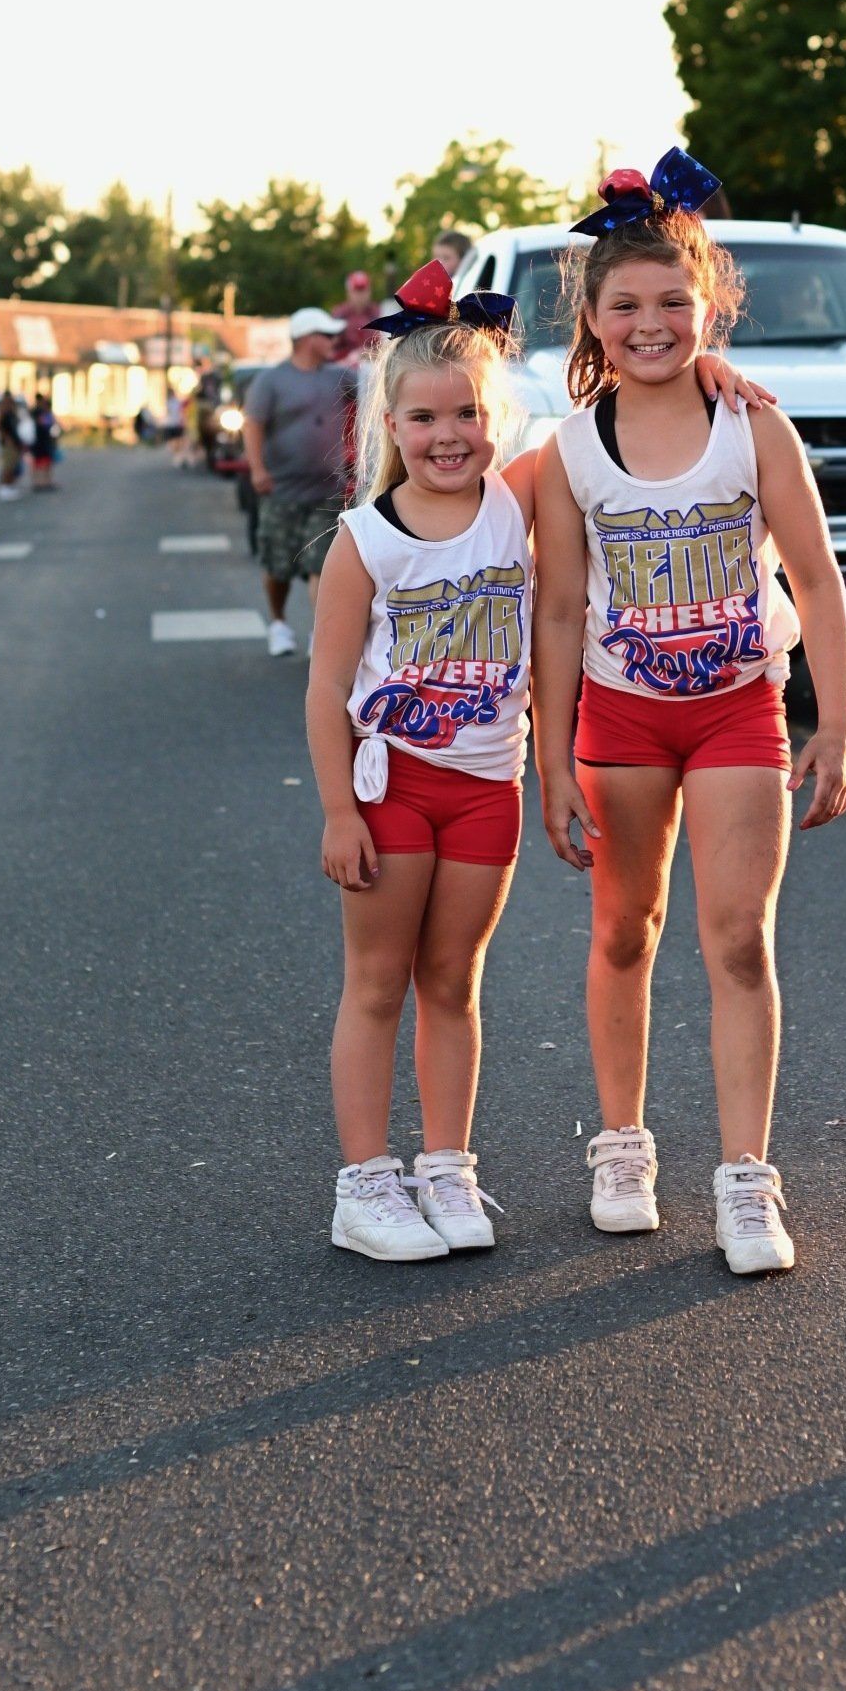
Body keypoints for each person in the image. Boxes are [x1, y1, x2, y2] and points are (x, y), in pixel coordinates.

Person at [532, 150, 846, 1277]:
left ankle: (747, 1179)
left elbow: (816, 579)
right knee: (625, 931)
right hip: (620, 720)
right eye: (626, 305)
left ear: (707, 303)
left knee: (737, 939)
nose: (653, 323)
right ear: (594, 317)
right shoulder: (572, 449)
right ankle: (622, 1147)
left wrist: (840, 724)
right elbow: (563, 610)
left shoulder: (754, 426)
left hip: (736, 714)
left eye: (675, 302)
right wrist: (551, 759)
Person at [305, 264, 536, 1260]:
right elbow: (324, 690)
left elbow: (634, 419)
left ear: (497, 416)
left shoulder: (521, 507)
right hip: (392, 789)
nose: (450, 435)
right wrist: (338, 812)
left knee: (455, 982)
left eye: (469, 413)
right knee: (377, 982)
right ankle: (365, 1187)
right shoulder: (366, 540)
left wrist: (725, 382)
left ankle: (447, 1168)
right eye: (427, 417)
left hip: (490, 789)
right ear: (389, 426)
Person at [243, 308, 356, 656]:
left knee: (321, 565)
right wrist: (257, 468)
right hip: (283, 489)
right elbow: (253, 423)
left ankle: (318, 636)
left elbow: (382, 387)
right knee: (278, 565)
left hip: (327, 490)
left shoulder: (339, 376)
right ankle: (278, 623)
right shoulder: (271, 380)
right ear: (307, 339)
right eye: (326, 335)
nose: (333, 341)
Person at [330, 269, 383, 360]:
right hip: (343, 367)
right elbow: (331, 347)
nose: (360, 295)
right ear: (349, 292)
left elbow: (385, 347)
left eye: (363, 290)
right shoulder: (339, 314)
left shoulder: (378, 313)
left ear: (369, 291)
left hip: (372, 364)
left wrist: (365, 353)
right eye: (356, 290)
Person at [29, 387, 60, 491]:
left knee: (42, 463)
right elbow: (45, 425)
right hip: (41, 441)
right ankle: (42, 483)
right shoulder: (38, 412)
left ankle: (41, 482)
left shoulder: (34, 412)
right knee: (42, 463)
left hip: (39, 441)